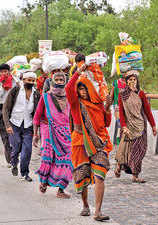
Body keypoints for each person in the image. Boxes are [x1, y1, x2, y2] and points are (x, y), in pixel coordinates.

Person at [65, 64, 112, 221]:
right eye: (80, 90)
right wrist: (78, 72)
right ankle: (85, 204)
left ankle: (97, 211)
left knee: (100, 175)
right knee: (82, 176)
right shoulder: (75, 104)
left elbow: (106, 123)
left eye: (85, 89)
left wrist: (107, 108)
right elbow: (68, 88)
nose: (82, 92)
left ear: (90, 89)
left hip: (99, 143)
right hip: (80, 143)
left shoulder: (98, 104)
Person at [33, 72, 72, 199]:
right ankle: (44, 181)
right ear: (52, 81)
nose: (60, 81)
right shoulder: (45, 97)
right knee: (48, 156)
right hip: (47, 129)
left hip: (65, 131)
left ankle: (61, 189)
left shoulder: (69, 97)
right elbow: (37, 116)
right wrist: (35, 134)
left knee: (66, 159)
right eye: (57, 79)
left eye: (62, 79)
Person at [114, 70, 157, 183]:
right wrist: (123, 126)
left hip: (140, 126)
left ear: (137, 81)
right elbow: (122, 113)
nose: (132, 82)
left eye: (134, 80)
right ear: (126, 82)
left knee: (140, 150)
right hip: (128, 126)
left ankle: (135, 174)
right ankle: (121, 167)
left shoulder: (141, 94)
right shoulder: (122, 94)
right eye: (130, 80)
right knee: (125, 150)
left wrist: (153, 125)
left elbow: (147, 111)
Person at [3, 72, 40, 182]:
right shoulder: (15, 91)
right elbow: (6, 108)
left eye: (32, 80)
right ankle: (14, 163)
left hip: (28, 125)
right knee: (16, 146)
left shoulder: (36, 94)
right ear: (23, 80)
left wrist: (37, 130)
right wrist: (7, 125)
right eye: (28, 80)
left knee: (27, 150)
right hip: (14, 124)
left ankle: (25, 173)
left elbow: (37, 112)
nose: (30, 82)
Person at [0, 63, 17, 167]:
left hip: (14, 109)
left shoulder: (14, 81)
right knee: (5, 135)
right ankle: (9, 159)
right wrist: (3, 86)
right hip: (2, 108)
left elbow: (18, 93)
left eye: (5, 71)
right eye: (2, 72)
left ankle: (15, 155)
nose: (4, 73)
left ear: (9, 71)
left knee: (14, 134)